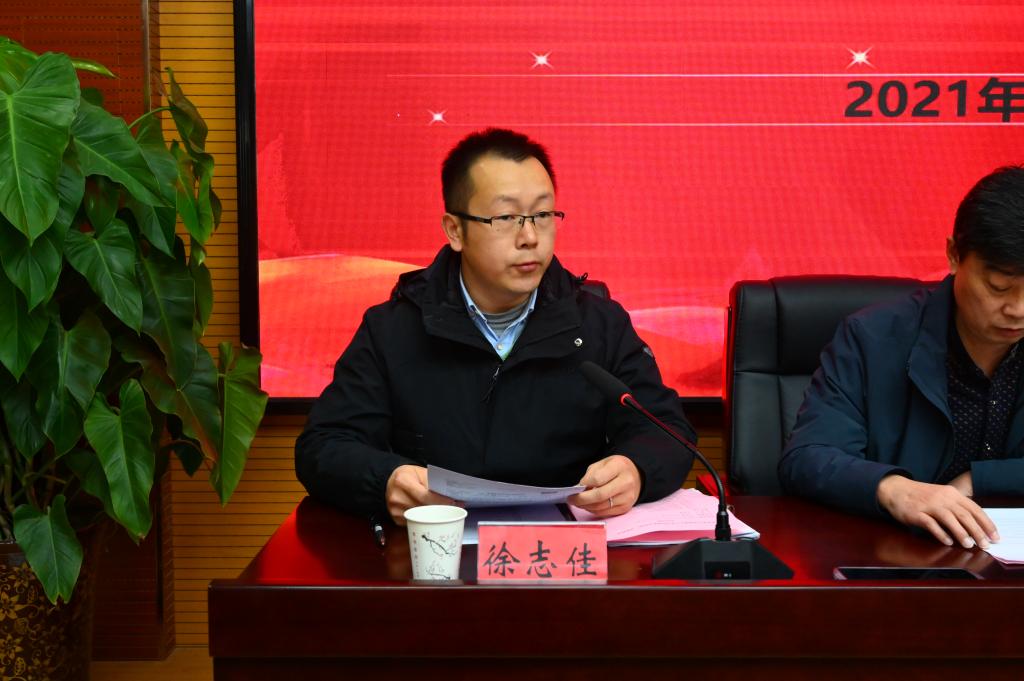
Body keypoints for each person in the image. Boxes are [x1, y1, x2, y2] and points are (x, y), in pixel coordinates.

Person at [296, 128, 694, 524]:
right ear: (455, 230)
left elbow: (667, 430)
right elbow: (323, 446)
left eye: (543, 215)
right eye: (506, 218)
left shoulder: (600, 325)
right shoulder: (392, 330)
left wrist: (635, 468)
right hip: (435, 550)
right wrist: (387, 479)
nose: (530, 237)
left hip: (564, 552)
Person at [779, 165, 1024, 550]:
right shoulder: (872, 338)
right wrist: (894, 489)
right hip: (897, 561)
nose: (1018, 310)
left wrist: (980, 480)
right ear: (954, 255)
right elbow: (807, 458)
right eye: (998, 287)